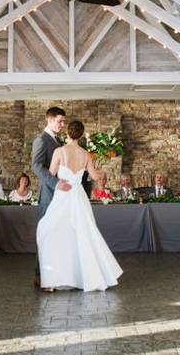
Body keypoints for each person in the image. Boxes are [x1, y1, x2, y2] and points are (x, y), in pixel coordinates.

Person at [36, 120, 122, 291]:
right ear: (81, 135)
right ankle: (84, 277)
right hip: (79, 197)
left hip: (63, 195)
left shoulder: (59, 151)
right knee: (83, 235)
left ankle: (53, 280)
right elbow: (96, 177)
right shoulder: (86, 154)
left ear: (67, 133)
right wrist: (101, 171)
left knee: (51, 232)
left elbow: (51, 174)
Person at [31, 106, 70, 287]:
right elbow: (37, 166)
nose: (62, 124)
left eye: (63, 121)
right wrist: (55, 184)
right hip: (49, 194)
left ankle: (54, 275)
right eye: (59, 121)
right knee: (46, 235)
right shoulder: (41, 140)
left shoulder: (57, 140)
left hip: (61, 195)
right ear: (49, 119)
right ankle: (41, 276)